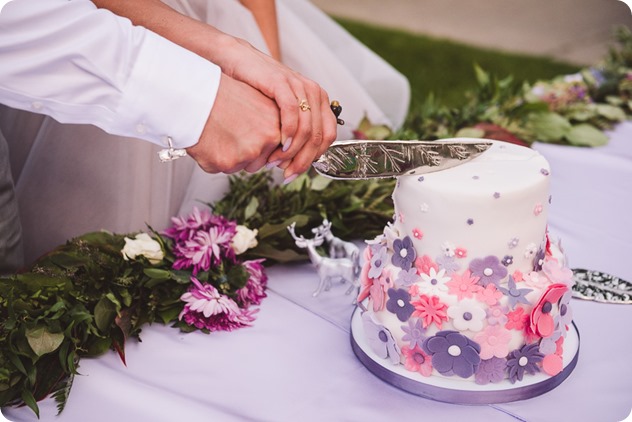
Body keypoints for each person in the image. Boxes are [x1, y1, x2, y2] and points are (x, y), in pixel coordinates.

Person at [1, 0, 410, 265]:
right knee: (102, 259)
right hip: (102, 29)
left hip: (217, 19)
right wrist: (208, 72)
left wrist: (264, 65)